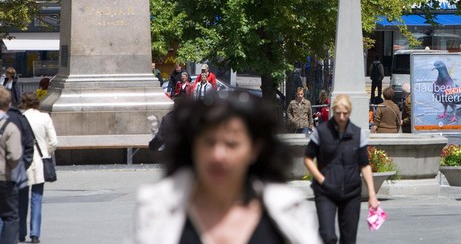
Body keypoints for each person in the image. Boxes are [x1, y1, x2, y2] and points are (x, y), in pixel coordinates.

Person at [133, 90, 319, 244]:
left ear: (254, 149)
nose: (218, 155)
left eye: (232, 144)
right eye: (209, 142)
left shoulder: (287, 210)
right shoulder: (157, 210)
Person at [304, 94, 379, 244]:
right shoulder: (322, 132)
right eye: (338, 113)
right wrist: (321, 179)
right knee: (328, 236)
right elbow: (308, 158)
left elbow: (364, 164)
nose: (342, 117)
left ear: (350, 112)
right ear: (333, 111)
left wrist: (372, 194)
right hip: (326, 191)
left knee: (349, 239)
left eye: (345, 113)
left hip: (351, 191)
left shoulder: (357, 134)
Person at [21, 93, 57, 244]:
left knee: (21, 199)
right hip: (40, 161)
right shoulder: (45, 118)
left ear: (23, 103)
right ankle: (35, 233)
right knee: (37, 198)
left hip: (22, 162)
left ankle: (21, 232)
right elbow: (54, 141)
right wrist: (46, 152)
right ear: (38, 103)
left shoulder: (20, 118)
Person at [0, 88, 22, 244]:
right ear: (8, 104)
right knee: (10, 217)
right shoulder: (10, 127)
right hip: (4, 177)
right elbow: (14, 156)